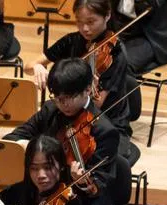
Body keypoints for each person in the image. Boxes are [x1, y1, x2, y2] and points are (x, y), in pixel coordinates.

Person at [7, 58, 120, 205]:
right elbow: (13, 137)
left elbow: (99, 185)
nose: (63, 104)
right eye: (58, 97)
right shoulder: (50, 110)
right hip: (42, 194)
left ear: (88, 89)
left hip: (82, 204)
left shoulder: (104, 131)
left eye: (68, 97)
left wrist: (83, 182)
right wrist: (33, 147)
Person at [30, 0, 137, 140]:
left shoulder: (116, 51)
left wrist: (86, 88)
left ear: (107, 16)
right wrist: (37, 66)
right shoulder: (72, 40)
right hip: (69, 113)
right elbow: (29, 65)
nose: (85, 28)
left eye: (91, 22)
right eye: (79, 22)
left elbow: (96, 103)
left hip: (105, 122)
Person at [116, 0, 167, 74]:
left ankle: (130, 84)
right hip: (118, 33)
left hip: (151, 38)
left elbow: (150, 7)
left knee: (119, 65)